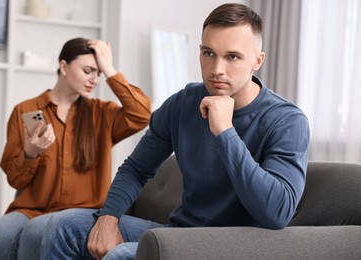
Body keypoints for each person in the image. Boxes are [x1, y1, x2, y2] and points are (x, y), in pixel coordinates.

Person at [40, 3, 310, 260]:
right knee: (66, 226)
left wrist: (225, 133)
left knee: (122, 255)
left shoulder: (287, 121)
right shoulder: (183, 103)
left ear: (257, 61)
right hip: (181, 235)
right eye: (208, 53)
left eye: (232, 57)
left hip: (235, 244)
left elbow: (277, 213)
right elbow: (136, 168)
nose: (216, 70)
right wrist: (109, 217)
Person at [0, 37, 151, 260]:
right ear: (63, 67)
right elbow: (16, 180)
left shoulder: (102, 114)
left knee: (37, 232)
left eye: (98, 73)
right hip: (32, 209)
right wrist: (30, 152)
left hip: (84, 210)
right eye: (88, 70)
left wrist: (110, 69)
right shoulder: (29, 111)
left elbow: (142, 113)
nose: (94, 79)